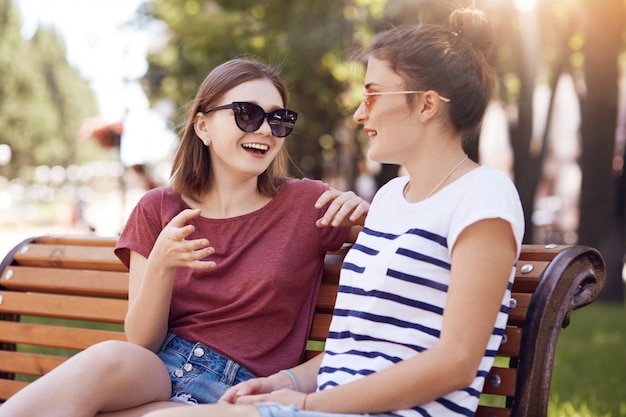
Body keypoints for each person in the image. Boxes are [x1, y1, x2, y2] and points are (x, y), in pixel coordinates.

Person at [143, 6, 525, 417]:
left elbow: (455, 364)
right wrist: (283, 383)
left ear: (427, 105)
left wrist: (306, 402)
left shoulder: (484, 195)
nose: (361, 112)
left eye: (373, 94)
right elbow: (357, 347)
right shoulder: (392, 198)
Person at [0, 57, 369, 417]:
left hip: (240, 393)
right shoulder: (158, 207)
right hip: (158, 370)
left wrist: (368, 213)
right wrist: (161, 263)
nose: (264, 130)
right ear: (203, 126)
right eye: (247, 114)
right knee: (106, 357)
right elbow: (143, 341)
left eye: (278, 119)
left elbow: (401, 241)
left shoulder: (309, 204)